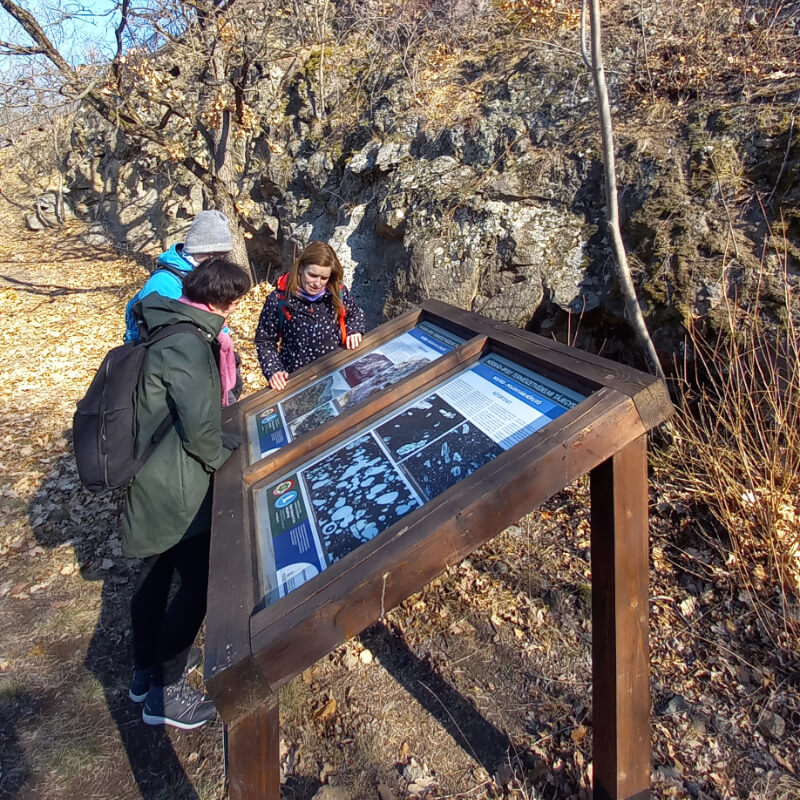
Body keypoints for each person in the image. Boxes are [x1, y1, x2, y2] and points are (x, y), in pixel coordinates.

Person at [123, 257, 251, 730]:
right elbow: (200, 433)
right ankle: (165, 693)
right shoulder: (190, 346)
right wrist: (230, 464)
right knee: (198, 587)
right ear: (223, 299)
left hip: (153, 476)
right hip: (173, 488)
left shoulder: (168, 321)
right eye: (236, 301)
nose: (237, 310)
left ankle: (144, 675)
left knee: (155, 577)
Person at [255, 241, 366, 390]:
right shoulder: (278, 300)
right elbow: (265, 342)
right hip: (296, 381)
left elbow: (355, 314)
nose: (318, 283)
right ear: (300, 268)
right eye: (312, 275)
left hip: (337, 375)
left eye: (324, 278)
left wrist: (355, 330)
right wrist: (274, 370)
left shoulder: (337, 293)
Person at [124, 209, 234, 343]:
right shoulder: (163, 283)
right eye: (212, 253)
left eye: (222, 254)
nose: (216, 260)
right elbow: (162, 338)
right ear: (196, 249)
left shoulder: (203, 274)